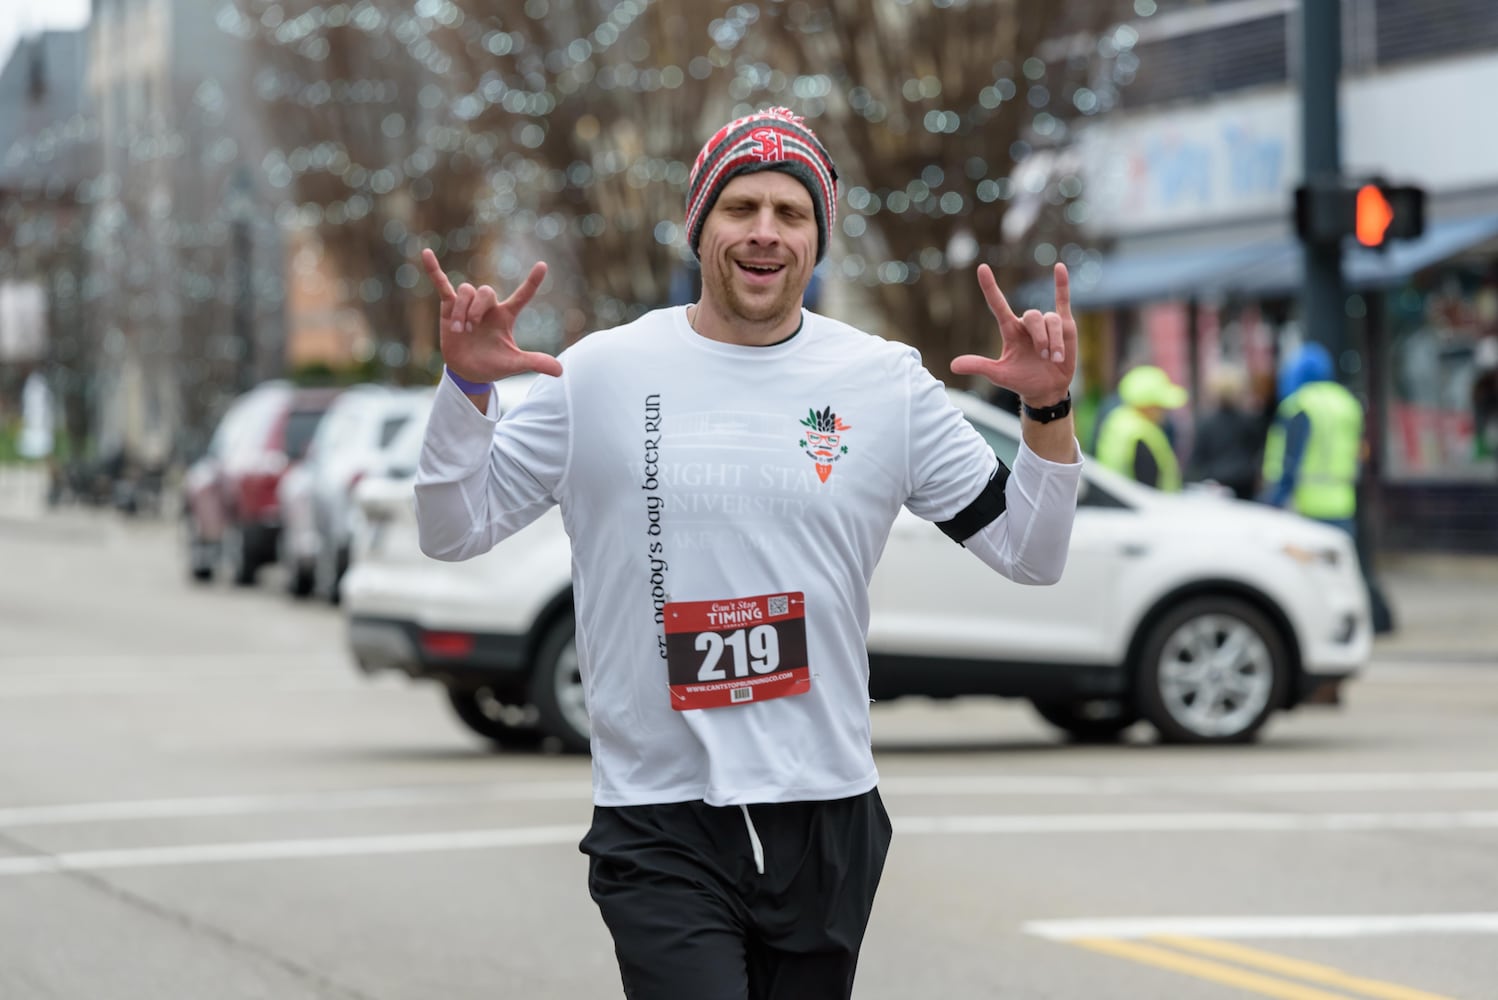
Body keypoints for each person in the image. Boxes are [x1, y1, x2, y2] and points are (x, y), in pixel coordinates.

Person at [413, 106, 1082, 1000]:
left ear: (817, 238)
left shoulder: (885, 383)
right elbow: (453, 529)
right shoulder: (602, 373)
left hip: (827, 812)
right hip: (660, 817)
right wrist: (464, 391)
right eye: (740, 208)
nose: (765, 232)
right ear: (700, 226)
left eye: (791, 212)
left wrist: (1047, 415)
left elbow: (1030, 552)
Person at [1261, 341, 1394, 633]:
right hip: (1341, 500)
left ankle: (1322, 628)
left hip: (1308, 505)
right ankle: (1353, 625)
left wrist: (1273, 501)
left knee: (1309, 574)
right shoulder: (1346, 403)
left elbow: (1291, 459)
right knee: (1341, 572)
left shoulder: (1301, 404)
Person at [1094, 364, 1188, 490]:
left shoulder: (1119, 421)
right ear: (1146, 405)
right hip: (1145, 507)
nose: (1164, 410)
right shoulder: (1140, 433)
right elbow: (1148, 483)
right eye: (1159, 405)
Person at [1187, 365, 1264, 500]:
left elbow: (1197, 459)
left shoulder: (1206, 422)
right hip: (1244, 484)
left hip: (1215, 485)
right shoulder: (1249, 421)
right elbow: (1257, 452)